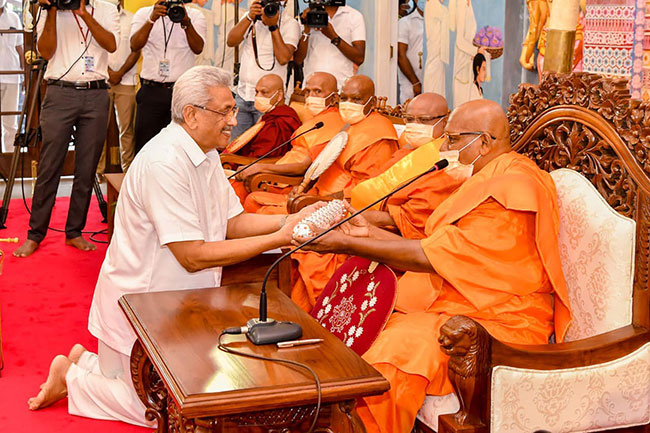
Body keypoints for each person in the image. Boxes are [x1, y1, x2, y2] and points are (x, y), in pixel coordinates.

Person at [26, 66, 314, 426]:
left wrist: (290, 220)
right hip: (141, 306)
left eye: (233, 110)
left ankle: (83, 362)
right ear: (191, 115)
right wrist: (280, 239)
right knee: (160, 412)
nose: (234, 119)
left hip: (176, 308)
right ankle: (74, 378)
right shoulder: (165, 161)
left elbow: (232, 223)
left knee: (176, 393)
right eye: (224, 111)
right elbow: (192, 256)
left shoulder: (205, 152)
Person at [294, 99, 572, 433]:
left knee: (395, 357)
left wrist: (347, 242)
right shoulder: (492, 175)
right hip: (462, 301)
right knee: (370, 317)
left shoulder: (514, 188)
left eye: (453, 140)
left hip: (500, 321)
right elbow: (440, 245)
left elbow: (433, 256)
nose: (445, 147)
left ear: (484, 142)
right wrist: (370, 233)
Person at [291, 93, 453, 312]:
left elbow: (417, 224)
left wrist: (362, 218)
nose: (415, 126)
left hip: (394, 238)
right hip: (363, 217)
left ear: (446, 120)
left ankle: (316, 321)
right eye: (410, 120)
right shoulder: (406, 151)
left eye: (424, 121)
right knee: (302, 246)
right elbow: (372, 188)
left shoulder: (447, 163)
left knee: (315, 254)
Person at [13, 0, 119, 258]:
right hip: (60, 93)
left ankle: (74, 232)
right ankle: (35, 234)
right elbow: (46, 52)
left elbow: (111, 45)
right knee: (49, 166)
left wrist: (83, 14)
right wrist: (50, 11)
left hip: (96, 95)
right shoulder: (50, 9)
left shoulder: (106, 8)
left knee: (86, 168)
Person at [243, 75, 398, 215]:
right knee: (254, 200)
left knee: (256, 206)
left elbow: (363, 189)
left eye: (356, 99)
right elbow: (322, 164)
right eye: (344, 98)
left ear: (371, 102)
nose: (348, 104)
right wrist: (305, 190)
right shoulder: (351, 125)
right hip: (315, 194)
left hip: (336, 205)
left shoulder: (378, 135)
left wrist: (318, 200)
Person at [231, 71, 343, 203]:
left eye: (317, 91)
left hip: (287, 181)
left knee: (238, 193)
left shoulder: (333, 122)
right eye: (307, 92)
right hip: (275, 175)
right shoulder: (316, 121)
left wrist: (260, 167)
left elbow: (303, 167)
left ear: (334, 98)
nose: (310, 97)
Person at [130, 0, 206, 154]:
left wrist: (186, 22)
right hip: (151, 91)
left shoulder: (195, 15)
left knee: (181, 146)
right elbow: (134, 45)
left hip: (182, 93)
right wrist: (151, 19)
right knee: (145, 146)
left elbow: (198, 48)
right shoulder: (144, 14)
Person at [226, 0, 300, 140]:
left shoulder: (290, 24)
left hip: (268, 101)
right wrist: (249, 17)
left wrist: (273, 27)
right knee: (236, 146)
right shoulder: (252, 18)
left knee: (263, 146)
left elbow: (284, 58)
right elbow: (231, 41)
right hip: (243, 95)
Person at [97, 0, 139, 175]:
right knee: (97, 129)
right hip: (101, 80)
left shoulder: (132, 19)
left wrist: (120, 72)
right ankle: (97, 173)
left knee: (127, 131)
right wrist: (108, 72)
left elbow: (137, 49)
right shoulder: (96, 17)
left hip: (126, 80)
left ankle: (127, 172)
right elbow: (93, 48)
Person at [294, 2, 365, 89]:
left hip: (342, 87)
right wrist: (306, 29)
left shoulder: (354, 16)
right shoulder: (308, 15)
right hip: (312, 87)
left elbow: (359, 58)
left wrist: (333, 37)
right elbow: (298, 59)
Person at [236, 73, 301, 158]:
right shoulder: (269, 115)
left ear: (279, 95)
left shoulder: (279, 121)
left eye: (264, 92)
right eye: (256, 92)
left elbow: (261, 156)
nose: (257, 96)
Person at [452, 0, 488, 108]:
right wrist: (477, 51)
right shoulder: (461, 5)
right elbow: (459, 41)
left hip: (469, 63)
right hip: (462, 65)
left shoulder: (468, 4)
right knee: (462, 110)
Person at [0, 0, 23, 153]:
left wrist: (25, 76)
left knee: (11, 123)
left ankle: (10, 163)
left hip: (12, 76)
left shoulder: (14, 17)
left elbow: (20, 47)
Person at [397, 0, 424, 103]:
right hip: (410, 85)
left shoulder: (440, 21)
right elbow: (400, 55)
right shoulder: (405, 23)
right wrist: (415, 83)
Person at [422, 0, 449, 96]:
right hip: (435, 48)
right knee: (434, 74)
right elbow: (446, 14)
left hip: (438, 50)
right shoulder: (433, 4)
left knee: (438, 76)